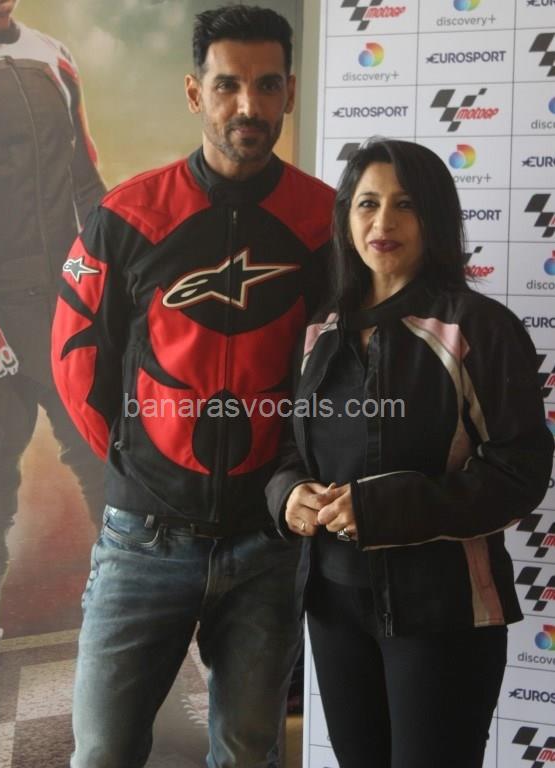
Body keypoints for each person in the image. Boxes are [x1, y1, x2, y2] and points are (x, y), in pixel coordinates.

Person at [51, 5, 334, 767]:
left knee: (247, 752)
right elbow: (77, 352)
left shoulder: (324, 220)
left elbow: (341, 371)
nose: (248, 106)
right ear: (194, 92)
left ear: (289, 92)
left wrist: (296, 482)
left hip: (267, 541)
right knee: (102, 751)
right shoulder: (127, 215)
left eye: (267, 85)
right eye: (228, 85)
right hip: (143, 539)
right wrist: (137, 465)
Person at [266, 138, 553, 768]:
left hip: (441, 612)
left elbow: (520, 472)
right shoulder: (319, 330)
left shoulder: (477, 327)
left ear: (436, 219)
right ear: (346, 218)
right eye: (367, 203)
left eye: (406, 205)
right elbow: (290, 447)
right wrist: (288, 494)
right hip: (334, 608)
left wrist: (382, 508)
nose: (384, 222)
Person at [0, 1, 106, 765]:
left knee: (108, 473)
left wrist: (110, 282)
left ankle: (130, 660)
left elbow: (87, 179)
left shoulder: (53, 54)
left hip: (64, 302)